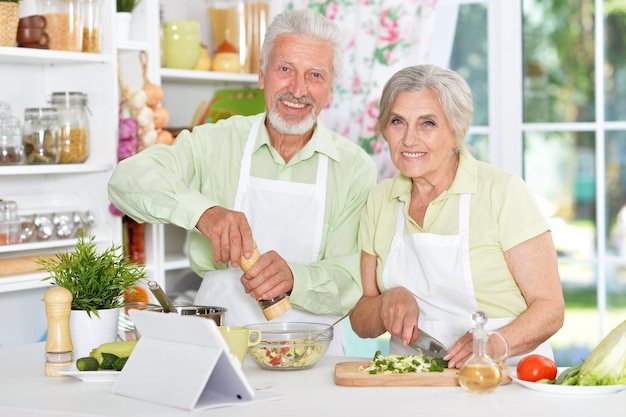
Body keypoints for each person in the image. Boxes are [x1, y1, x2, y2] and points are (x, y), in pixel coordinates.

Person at [108, 9, 377, 355]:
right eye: (285, 69)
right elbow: (125, 179)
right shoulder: (215, 142)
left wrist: (295, 278)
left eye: (315, 75)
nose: (298, 89)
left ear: (330, 89)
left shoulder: (354, 167)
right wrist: (204, 213)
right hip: (218, 342)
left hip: (311, 353)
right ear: (262, 74)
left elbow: (352, 279)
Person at [349, 64, 564, 367]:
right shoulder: (379, 200)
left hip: (503, 377)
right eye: (398, 121)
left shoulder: (502, 191)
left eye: (428, 124)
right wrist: (386, 302)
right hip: (412, 381)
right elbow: (360, 320)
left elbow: (551, 309)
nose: (409, 139)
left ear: (456, 130)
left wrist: (495, 343)